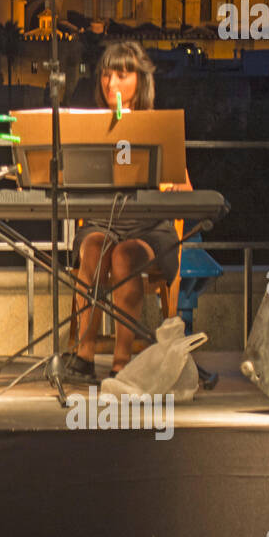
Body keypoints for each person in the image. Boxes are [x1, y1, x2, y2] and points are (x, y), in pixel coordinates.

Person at [63, 40, 192, 384]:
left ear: (141, 81)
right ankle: (84, 353)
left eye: (121, 75)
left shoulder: (156, 125)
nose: (111, 84)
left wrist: (171, 185)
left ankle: (122, 360)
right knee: (92, 248)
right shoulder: (92, 126)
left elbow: (186, 189)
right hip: (102, 221)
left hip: (149, 228)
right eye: (106, 75)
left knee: (124, 256)